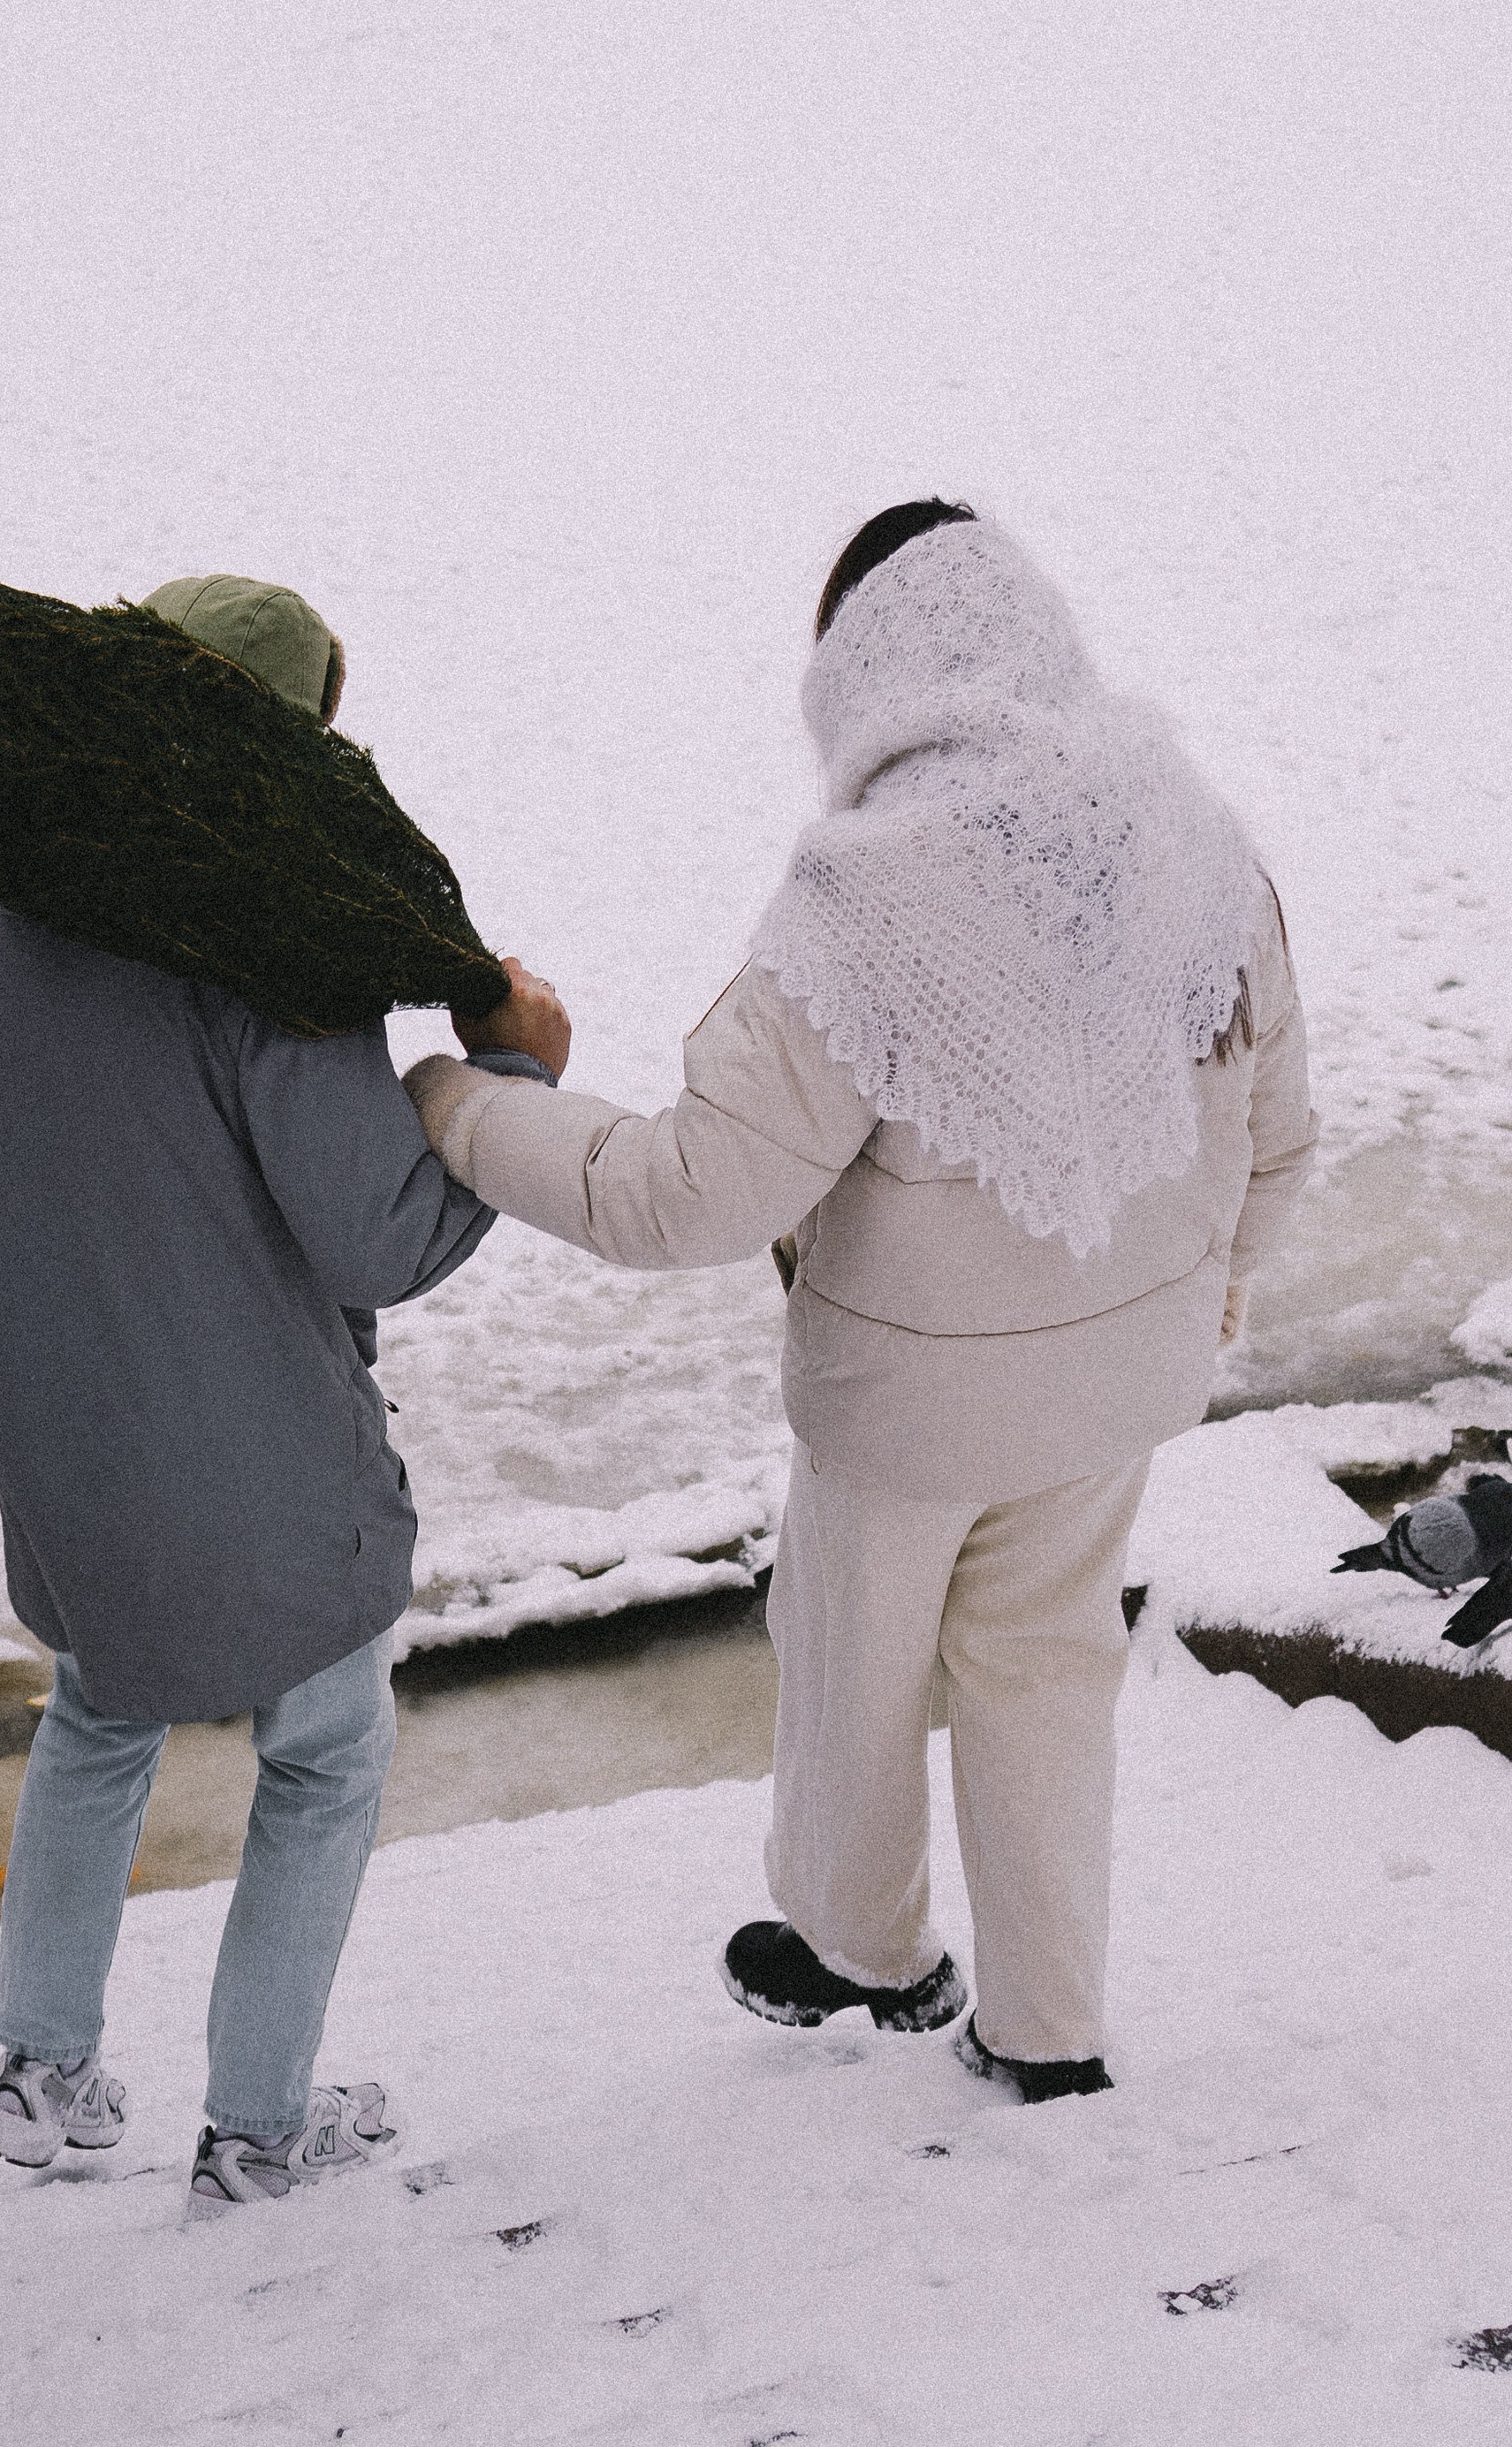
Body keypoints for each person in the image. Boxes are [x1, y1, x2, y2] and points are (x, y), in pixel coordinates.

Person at [408, 503, 1314, 2103]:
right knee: (1048, 1667)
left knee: (850, 1665)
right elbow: (1280, 1138)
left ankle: (863, 1948)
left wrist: (463, 1106)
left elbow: (689, 1195)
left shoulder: (864, 902)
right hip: (1121, 1381)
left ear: (865, 673)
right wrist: (1212, 1293)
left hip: (905, 1409)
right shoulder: (1198, 850)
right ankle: (1049, 2031)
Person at [0, 571, 570, 2216]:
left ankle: (38, 2074)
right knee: (321, 1761)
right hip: (270, 1476)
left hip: (62, 1453)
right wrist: (511, 1069)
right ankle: (256, 2131)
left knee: (97, 1716)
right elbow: (382, 1238)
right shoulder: (261, 947)